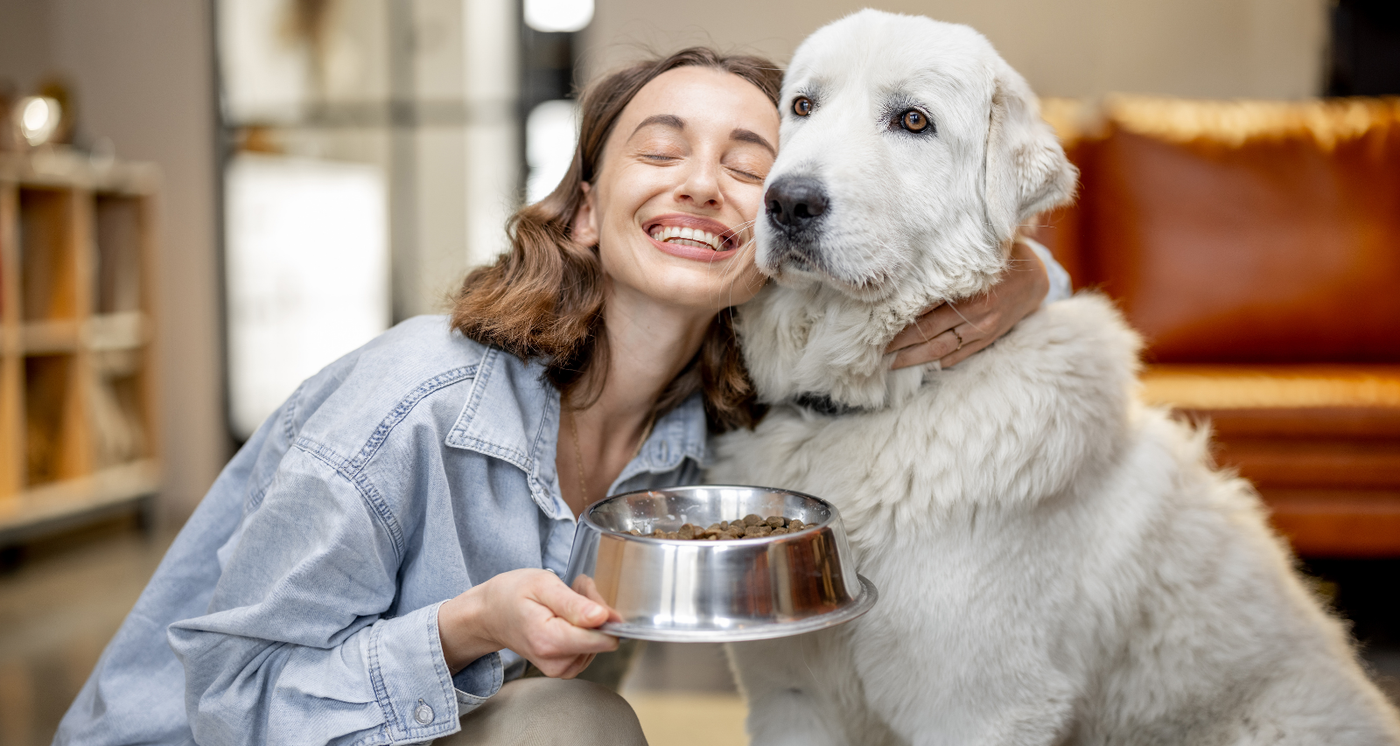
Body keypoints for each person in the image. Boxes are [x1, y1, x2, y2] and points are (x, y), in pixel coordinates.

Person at [54, 48, 1069, 746]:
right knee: (572, 723)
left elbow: (921, 304)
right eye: (660, 150)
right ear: (584, 212)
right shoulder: (416, 398)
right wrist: (466, 625)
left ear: (779, 239)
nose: (703, 184)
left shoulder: (725, 432)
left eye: (749, 166)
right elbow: (227, 698)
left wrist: (1029, 273)